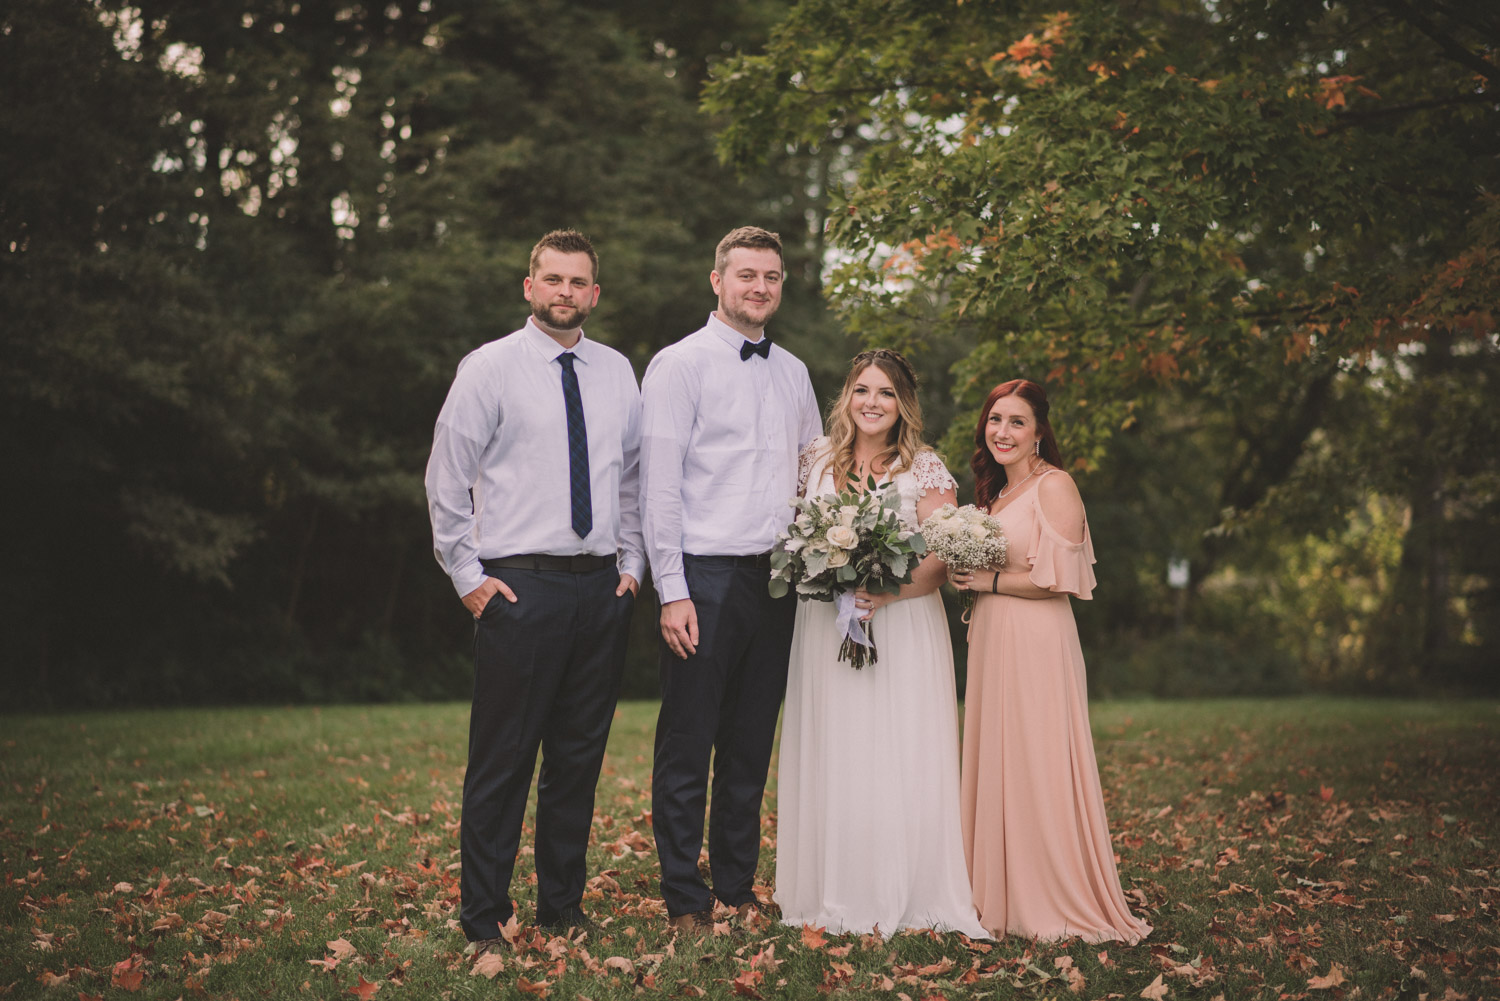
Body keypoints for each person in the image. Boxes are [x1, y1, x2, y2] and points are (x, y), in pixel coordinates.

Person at [424, 230, 644, 954]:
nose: (564, 292)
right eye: (553, 279)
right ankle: (484, 918)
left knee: (577, 762)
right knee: (504, 762)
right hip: (518, 588)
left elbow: (633, 477)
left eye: (578, 282)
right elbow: (446, 477)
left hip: (600, 589)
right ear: (529, 287)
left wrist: (633, 565)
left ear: (594, 294)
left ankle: (562, 907)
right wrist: (468, 578)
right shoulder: (489, 368)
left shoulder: (617, 372)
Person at [641, 226, 822, 935]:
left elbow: (812, 476)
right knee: (688, 741)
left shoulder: (794, 372)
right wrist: (672, 588)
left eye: (771, 277)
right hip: (704, 576)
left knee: (749, 745)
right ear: (716, 281)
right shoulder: (678, 365)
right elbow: (658, 487)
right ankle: (683, 896)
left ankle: (737, 888)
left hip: (776, 580)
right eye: (746, 274)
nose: (760, 287)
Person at [774, 349, 988, 938]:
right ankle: (828, 888)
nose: (872, 402)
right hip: (824, 626)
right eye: (863, 390)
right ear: (846, 396)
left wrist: (885, 593)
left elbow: (943, 555)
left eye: (886, 393)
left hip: (901, 623)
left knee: (895, 747)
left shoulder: (923, 467)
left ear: (903, 404)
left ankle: (902, 887)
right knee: (835, 744)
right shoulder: (816, 460)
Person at [948, 379, 1151, 944]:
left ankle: (1051, 896)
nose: (1003, 431)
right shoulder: (995, 494)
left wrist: (985, 581)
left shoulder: (1054, 485)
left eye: (1017, 421)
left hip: (1036, 640)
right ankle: (998, 890)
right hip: (993, 637)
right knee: (1001, 757)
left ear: (1038, 431)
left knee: (1037, 759)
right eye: (995, 420)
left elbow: (1060, 580)